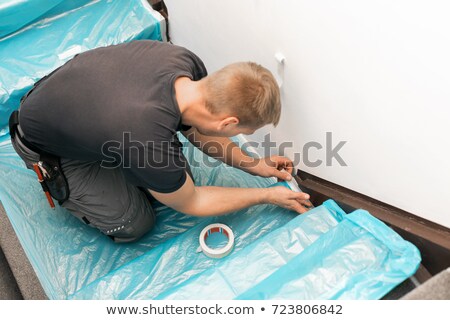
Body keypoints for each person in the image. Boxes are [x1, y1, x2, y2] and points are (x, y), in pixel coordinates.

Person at [9, 40, 311, 243]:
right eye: (242, 131)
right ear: (229, 123)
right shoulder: (143, 136)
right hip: (46, 143)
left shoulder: (184, 63)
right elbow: (193, 201)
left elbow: (196, 127)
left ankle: (118, 157)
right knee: (135, 222)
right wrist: (266, 196)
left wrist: (255, 165)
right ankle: (73, 183)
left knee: (171, 178)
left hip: (87, 109)